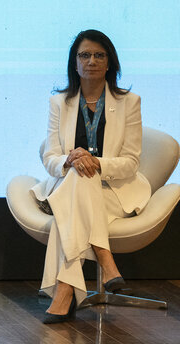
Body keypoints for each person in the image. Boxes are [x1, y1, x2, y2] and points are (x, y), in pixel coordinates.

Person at [31, 29, 149, 323]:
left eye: (99, 55)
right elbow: (50, 157)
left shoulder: (129, 102)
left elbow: (131, 163)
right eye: (85, 55)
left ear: (110, 63)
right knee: (78, 178)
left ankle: (64, 291)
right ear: (75, 63)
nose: (92, 60)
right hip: (74, 186)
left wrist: (95, 162)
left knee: (70, 205)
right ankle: (104, 258)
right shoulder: (59, 102)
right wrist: (71, 158)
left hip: (113, 190)